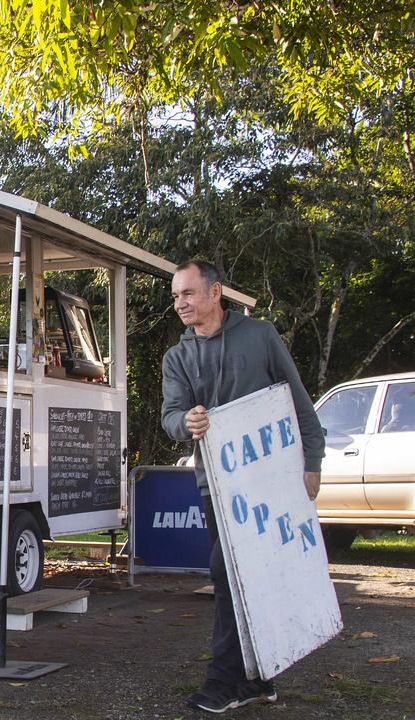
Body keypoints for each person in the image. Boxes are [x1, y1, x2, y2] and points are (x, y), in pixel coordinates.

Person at [160, 259, 325, 714]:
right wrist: (185, 422)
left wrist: (313, 460)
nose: (180, 304)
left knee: (235, 575)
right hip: (216, 486)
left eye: (188, 293)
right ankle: (259, 677)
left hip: (270, 482)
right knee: (234, 575)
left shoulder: (260, 336)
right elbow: (169, 415)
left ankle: (224, 682)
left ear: (216, 293)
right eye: (176, 296)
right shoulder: (177, 357)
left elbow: (297, 398)